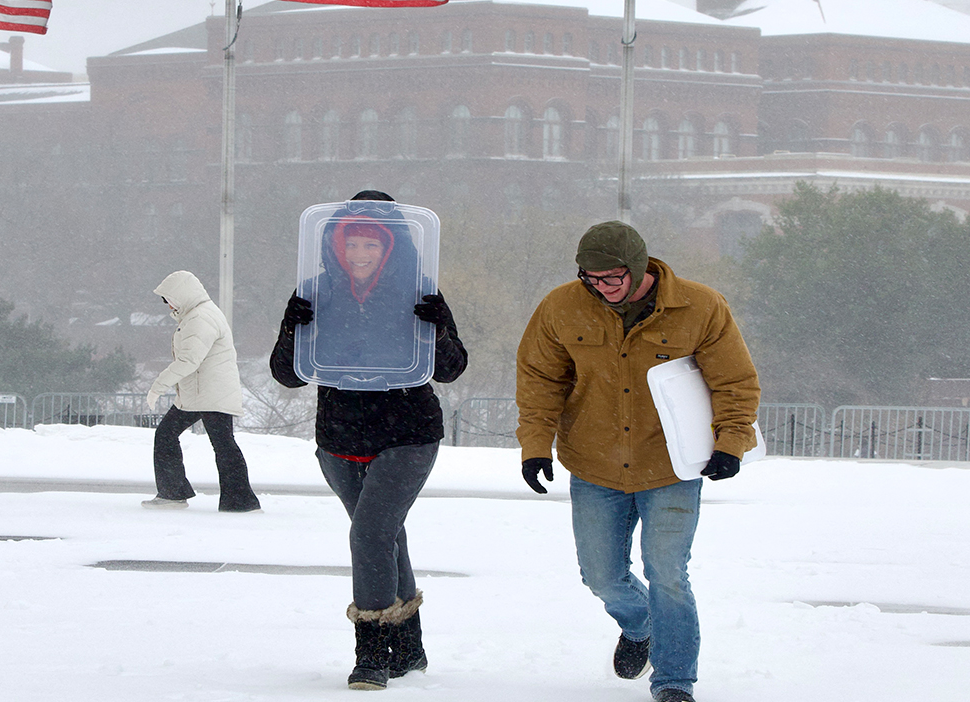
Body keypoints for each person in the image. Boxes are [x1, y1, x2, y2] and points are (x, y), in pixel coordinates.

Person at [515, 221, 760, 702]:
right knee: (600, 576)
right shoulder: (562, 307)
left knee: (667, 573)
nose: (601, 288)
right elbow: (540, 379)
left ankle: (673, 680)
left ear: (638, 266)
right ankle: (640, 624)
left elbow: (734, 381)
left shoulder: (700, 307)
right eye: (590, 278)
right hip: (595, 463)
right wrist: (535, 445)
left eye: (611, 278)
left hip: (670, 466)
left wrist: (732, 441)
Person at [270, 189, 467, 691]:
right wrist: (291, 330)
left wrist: (439, 330)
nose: (359, 254)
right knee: (384, 534)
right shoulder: (315, 291)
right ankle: (409, 647)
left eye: (371, 244)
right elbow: (287, 376)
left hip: (407, 433)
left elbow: (450, 369)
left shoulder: (418, 291)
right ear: (335, 245)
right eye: (350, 243)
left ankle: (372, 652)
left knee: (370, 534)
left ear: (391, 246)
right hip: (338, 437)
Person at [141, 270, 262, 513]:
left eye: (169, 299)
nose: (168, 305)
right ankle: (237, 500)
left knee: (219, 445)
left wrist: (158, 386)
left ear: (182, 295)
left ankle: (235, 501)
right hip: (200, 393)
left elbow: (189, 361)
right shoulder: (199, 314)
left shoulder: (200, 318)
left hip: (210, 394)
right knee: (215, 444)